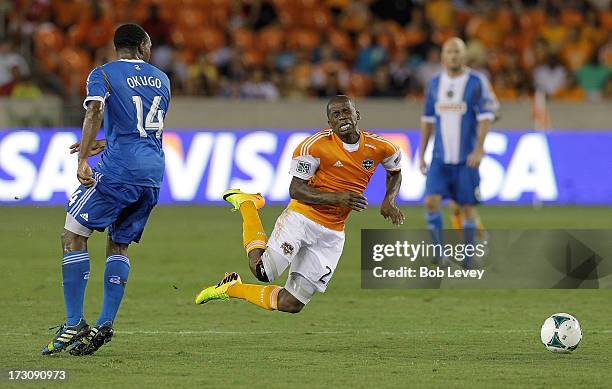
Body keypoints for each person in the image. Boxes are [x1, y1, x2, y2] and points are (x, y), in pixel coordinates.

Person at [195, 95, 404, 313]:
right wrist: (337, 198)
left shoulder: (381, 147)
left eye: (346, 112)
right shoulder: (313, 147)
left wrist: (389, 201)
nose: (342, 117)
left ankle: (231, 289)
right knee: (263, 272)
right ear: (329, 123)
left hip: (332, 234)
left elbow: (395, 172)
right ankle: (248, 203)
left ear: (357, 115)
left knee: (291, 303)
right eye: (336, 114)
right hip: (302, 219)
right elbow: (296, 190)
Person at [42, 24, 171, 356]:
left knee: (73, 235)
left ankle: (73, 323)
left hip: (119, 171)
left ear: (118, 47)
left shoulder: (103, 73)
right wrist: (106, 141)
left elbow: (95, 109)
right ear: (142, 46)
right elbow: (144, 127)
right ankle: (104, 323)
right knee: (118, 245)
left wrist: (84, 156)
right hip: (152, 174)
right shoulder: (162, 78)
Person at [419, 38, 495, 268]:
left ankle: (469, 257)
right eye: (449, 52)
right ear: (442, 57)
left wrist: (479, 149)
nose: (453, 56)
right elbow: (427, 120)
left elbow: (484, 118)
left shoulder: (475, 82)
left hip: (465, 159)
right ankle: (439, 255)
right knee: (431, 202)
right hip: (440, 158)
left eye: (457, 52)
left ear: (464, 56)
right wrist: (422, 153)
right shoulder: (434, 84)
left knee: (466, 207)